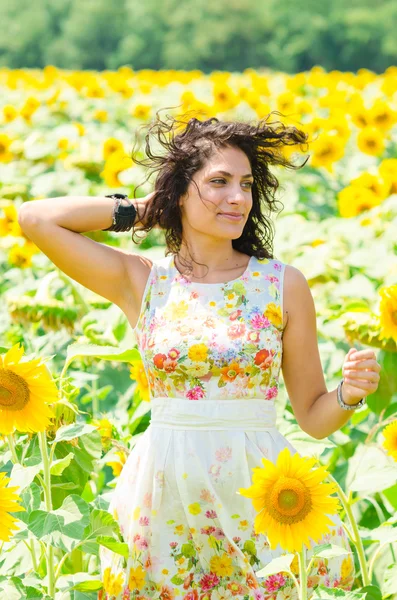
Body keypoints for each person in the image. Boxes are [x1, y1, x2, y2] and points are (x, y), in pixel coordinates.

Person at [18, 114, 381, 599]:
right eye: (218, 182)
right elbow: (36, 218)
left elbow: (314, 418)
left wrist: (349, 394)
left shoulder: (281, 283)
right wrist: (145, 210)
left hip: (259, 490)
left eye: (247, 185)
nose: (238, 198)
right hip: (165, 487)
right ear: (180, 192)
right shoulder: (144, 280)